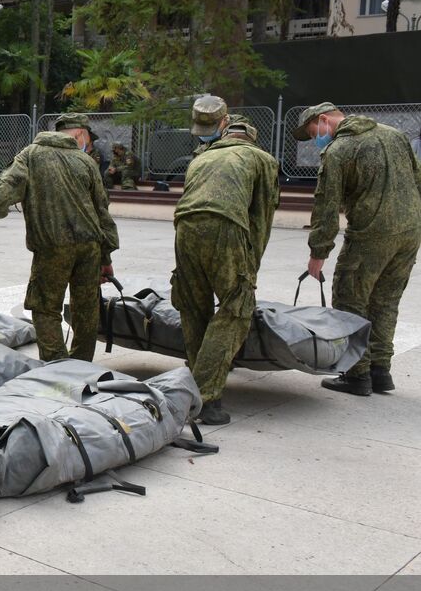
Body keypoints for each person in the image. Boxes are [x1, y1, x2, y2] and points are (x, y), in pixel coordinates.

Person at [0, 112, 119, 362]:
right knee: (86, 309)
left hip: (53, 247)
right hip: (90, 247)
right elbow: (102, 211)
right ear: (79, 135)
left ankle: (56, 367)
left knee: (45, 307)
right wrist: (105, 256)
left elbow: (8, 187)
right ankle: (81, 366)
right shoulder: (86, 162)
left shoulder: (31, 155)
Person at [298, 101, 421, 396]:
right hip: (410, 231)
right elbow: (417, 179)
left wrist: (318, 253)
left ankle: (357, 374)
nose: (315, 140)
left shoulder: (339, 151)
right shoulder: (395, 134)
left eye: (313, 132)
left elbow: (326, 207)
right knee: (385, 301)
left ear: (324, 120)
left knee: (350, 299)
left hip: (371, 233)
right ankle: (380, 370)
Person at [172, 95, 280, 425]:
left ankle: (194, 379)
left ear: (223, 128)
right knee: (235, 308)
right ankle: (206, 397)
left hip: (185, 227)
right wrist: (250, 269)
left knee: (193, 305)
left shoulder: (200, 160)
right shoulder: (261, 160)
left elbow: (190, 205)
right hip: (226, 228)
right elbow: (261, 219)